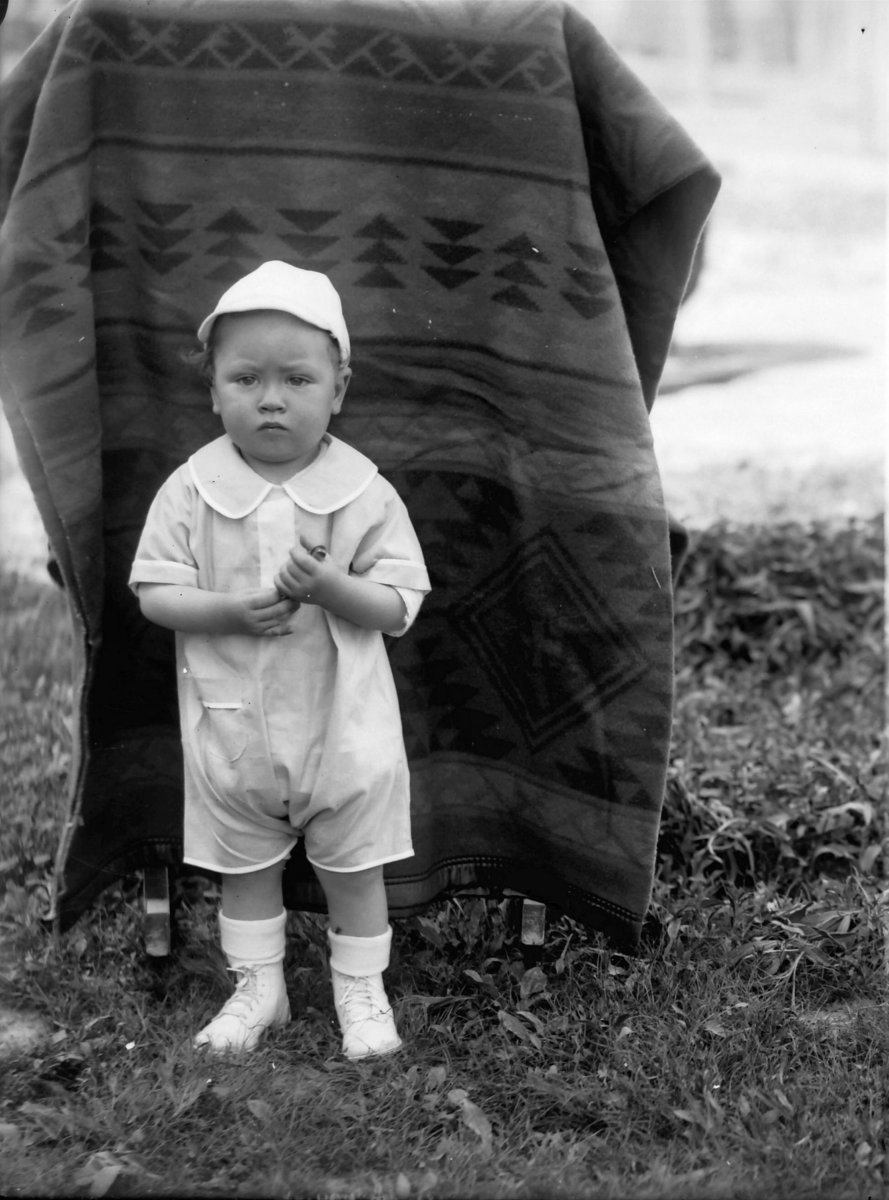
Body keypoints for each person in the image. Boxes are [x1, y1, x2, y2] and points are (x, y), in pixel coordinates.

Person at [129, 261, 430, 1060]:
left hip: (342, 723)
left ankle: (360, 992)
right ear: (213, 390)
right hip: (233, 723)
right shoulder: (192, 489)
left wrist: (332, 588)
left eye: (297, 379)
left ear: (338, 388)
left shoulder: (362, 491)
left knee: (354, 864)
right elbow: (156, 592)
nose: (271, 399)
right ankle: (258, 989)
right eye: (246, 379)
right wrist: (228, 611)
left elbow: (398, 604)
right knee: (244, 863)